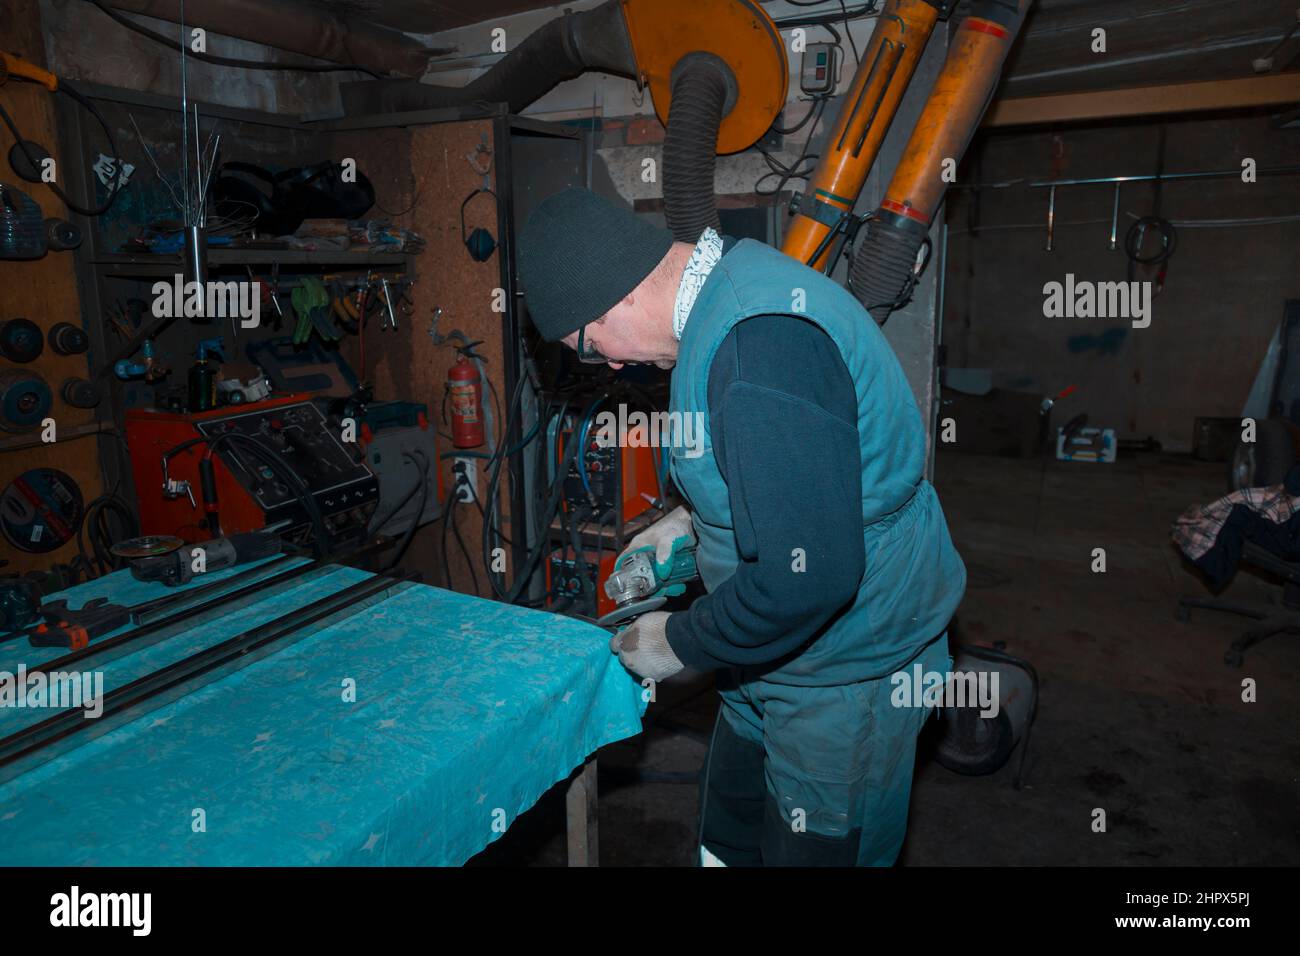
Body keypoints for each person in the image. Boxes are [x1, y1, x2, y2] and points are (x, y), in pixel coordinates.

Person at [517, 187, 966, 866]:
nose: (606, 364)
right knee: (728, 838)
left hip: (843, 674)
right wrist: (687, 528)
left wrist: (681, 640)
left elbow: (810, 577)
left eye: (587, 344)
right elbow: (779, 479)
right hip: (769, 660)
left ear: (617, 298)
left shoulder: (758, 350)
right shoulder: (727, 290)